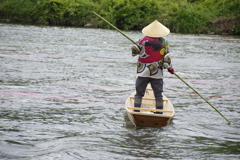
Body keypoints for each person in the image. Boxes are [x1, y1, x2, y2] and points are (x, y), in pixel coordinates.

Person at [131, 20, 174, 114]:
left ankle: (136, 111)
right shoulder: (165, 43)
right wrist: (170, 69)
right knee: (158, 94)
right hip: (157, 73)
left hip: (143, 72)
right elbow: (167, 58)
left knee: (139, 93)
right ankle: (159, 112)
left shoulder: (142, 40)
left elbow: (135, 51)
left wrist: (136, 45)